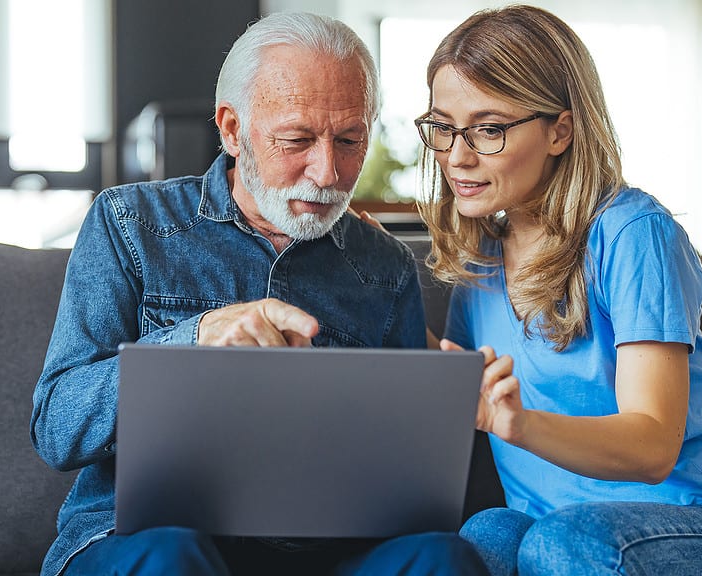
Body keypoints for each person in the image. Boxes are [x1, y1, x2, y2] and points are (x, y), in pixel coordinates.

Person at [30, 12, 485, 576]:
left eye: (349, 141)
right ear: (231, 129)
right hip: (145, 538)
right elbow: (56, 428)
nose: (327, 172)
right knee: (170, 557)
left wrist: (445, 405)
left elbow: (412, 483)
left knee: (443, 558)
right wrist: (194, 339)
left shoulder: (383, 267)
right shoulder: (130, 224)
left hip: (324, 552)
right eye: (297, 140)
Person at [414, 5, 702, 576]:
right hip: (557, 527)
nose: (457, 156)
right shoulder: (482, 254)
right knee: (482, 536)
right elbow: (461, 387)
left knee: (563, 544)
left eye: (489, 129)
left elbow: (652, 447)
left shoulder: (631, 234)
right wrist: (373, 282)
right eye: (444, 127)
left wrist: (520, 425)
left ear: (560, 131)